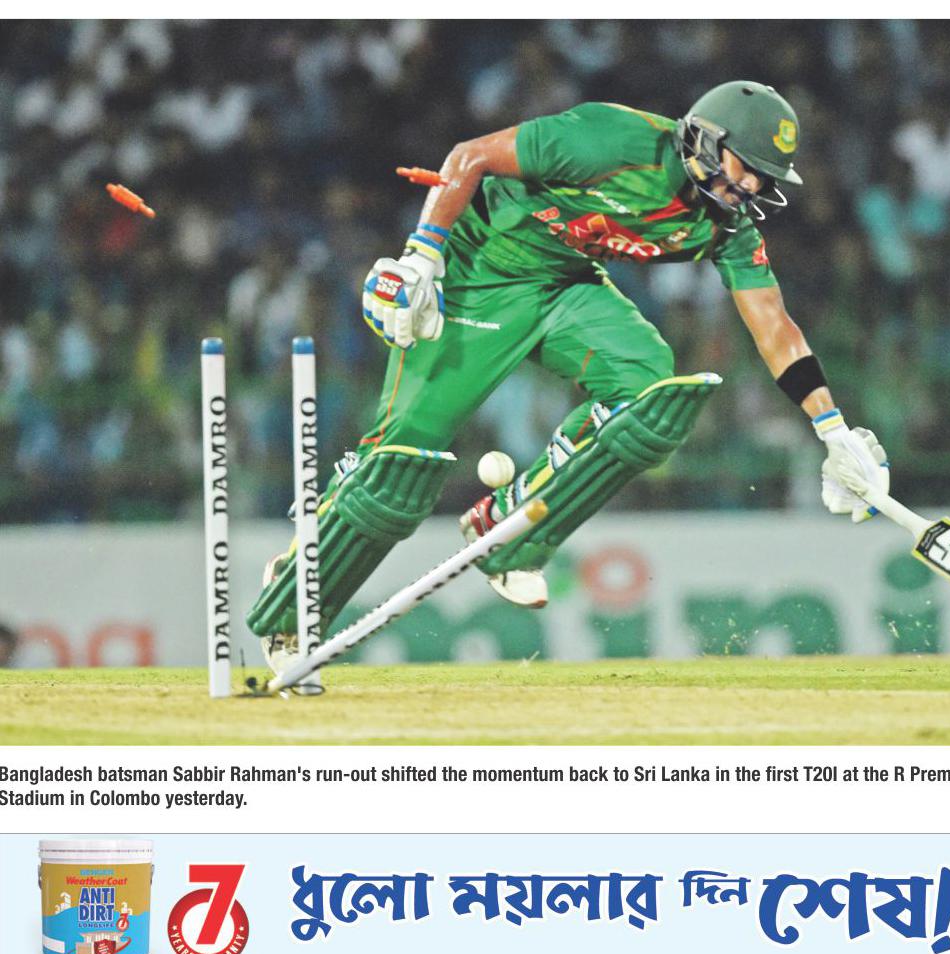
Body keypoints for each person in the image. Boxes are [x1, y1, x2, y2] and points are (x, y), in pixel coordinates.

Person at [246, 80, 890, 674]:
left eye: (763, 178)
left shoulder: (727, 227)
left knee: (649, 393)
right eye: (745, 166)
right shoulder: (611, 139)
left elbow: (773, 324)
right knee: (400, 467)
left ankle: (508, 530)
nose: (750, 186)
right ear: (705, 139)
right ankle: (297, 594)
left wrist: (832, 430)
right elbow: (470, 156)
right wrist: (422, 256)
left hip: (565, 286)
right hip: (477, 274)